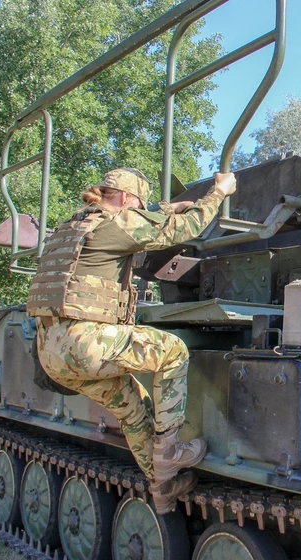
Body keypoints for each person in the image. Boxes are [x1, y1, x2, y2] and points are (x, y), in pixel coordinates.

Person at [27, 167, 236, 514]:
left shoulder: (73, 227)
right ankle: (168, 450)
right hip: (85, 343)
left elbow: (145, 220)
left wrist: (170, 207)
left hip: (52, 354)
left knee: (133, 408)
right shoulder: (116, 225)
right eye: (137, 203)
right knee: (172, 351)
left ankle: (163, 487)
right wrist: (218, 193)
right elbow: (185, 229)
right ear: (125, 199)